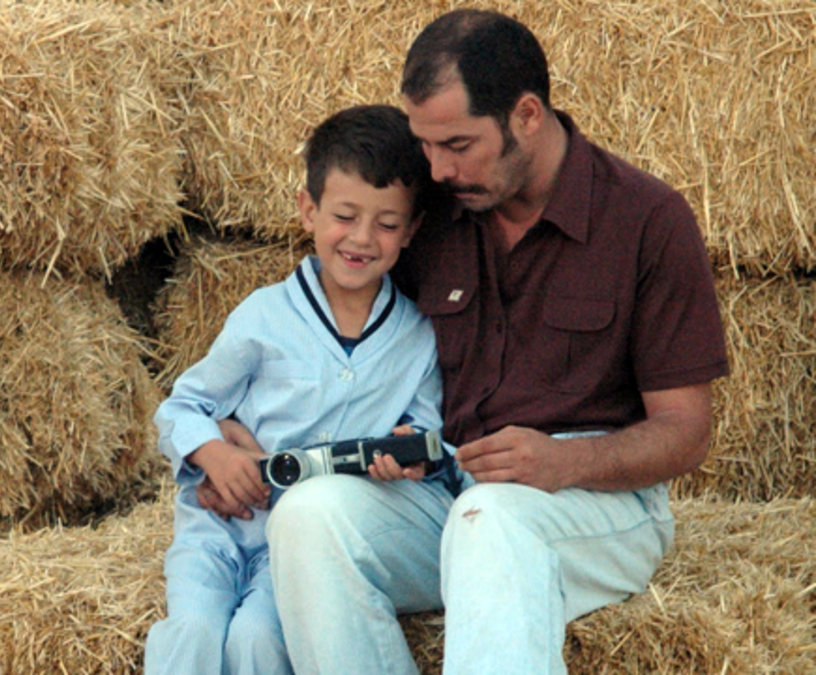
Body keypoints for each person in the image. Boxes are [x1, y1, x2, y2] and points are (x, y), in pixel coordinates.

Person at [202, 9, 729, 675]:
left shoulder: (647, 220)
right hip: (445, 488)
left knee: (494, 519)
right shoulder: (427, 213)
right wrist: (234, 433)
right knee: (307, 516)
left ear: (527, 116)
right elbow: (333, 334)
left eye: (457, 144)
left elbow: (686, 432)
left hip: (595, 506)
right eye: (426, 145)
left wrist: (564, 462)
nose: (438, 168)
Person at [144, 104, 449, 675]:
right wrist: (214, 454)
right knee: (192, 632)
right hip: (215, 530)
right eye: (344, 216)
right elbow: (184, 405)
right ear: (308, 210)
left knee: (258, 638)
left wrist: (409, 455)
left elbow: (428, 433)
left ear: (411, 230)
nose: (362, 238)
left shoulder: (417, 337)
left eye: (387, 224)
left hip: (296, 550)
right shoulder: (264, 316)